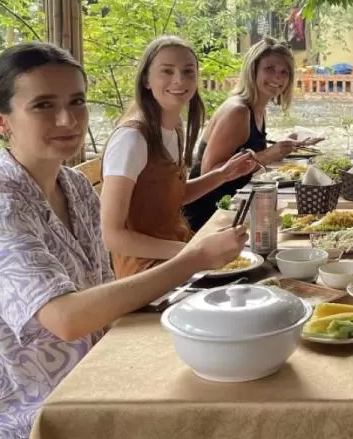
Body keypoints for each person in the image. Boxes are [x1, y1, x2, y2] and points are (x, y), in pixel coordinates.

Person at [0, 43, 248, 439]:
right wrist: (193, 259)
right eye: (44, 106)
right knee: (210, 434)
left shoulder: (75, 186)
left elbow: (102, 292)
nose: (67, 120)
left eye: (77, 102)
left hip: (91, 380)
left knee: (229, 390)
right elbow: (66, 319)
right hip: (28, 421)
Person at [100, 36, 258, 277]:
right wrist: (194, 251)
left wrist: (223, 174)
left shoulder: (175, 128)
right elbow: (113, 236)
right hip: (146, 274)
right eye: (167, 71)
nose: (179, 80)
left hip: (179, 255)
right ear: (146, 80)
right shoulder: (132, 139)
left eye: (188, 71)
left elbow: (173, 196)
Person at [184, 37, 320, 231]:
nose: (277, 78)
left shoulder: (257, 108)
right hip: (209, 218)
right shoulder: (238, 111)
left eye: (284, 72)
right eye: (270, 69)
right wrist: (270, 154)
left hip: (236, 209)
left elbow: (246, 155)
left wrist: (283, 147)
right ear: (253, 70)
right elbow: (210, 172)